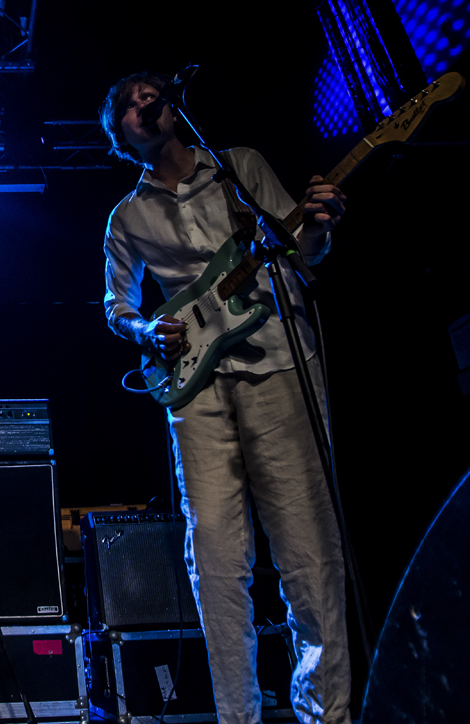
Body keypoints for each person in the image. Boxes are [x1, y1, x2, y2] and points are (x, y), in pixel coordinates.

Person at [100, 72, 350, 724]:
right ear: (119, 135)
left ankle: (327, 713)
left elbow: (302, 253)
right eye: (127, 107)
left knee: (307, 553)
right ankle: (237, 717)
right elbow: (115, 305)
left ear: (174, 108)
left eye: (149, 96)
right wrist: (147, 328)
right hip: (196, 386)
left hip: (278, 367)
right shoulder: (127, 217)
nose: (142, 107)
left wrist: (319, 228)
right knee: (214, 556)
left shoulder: (239, 168)